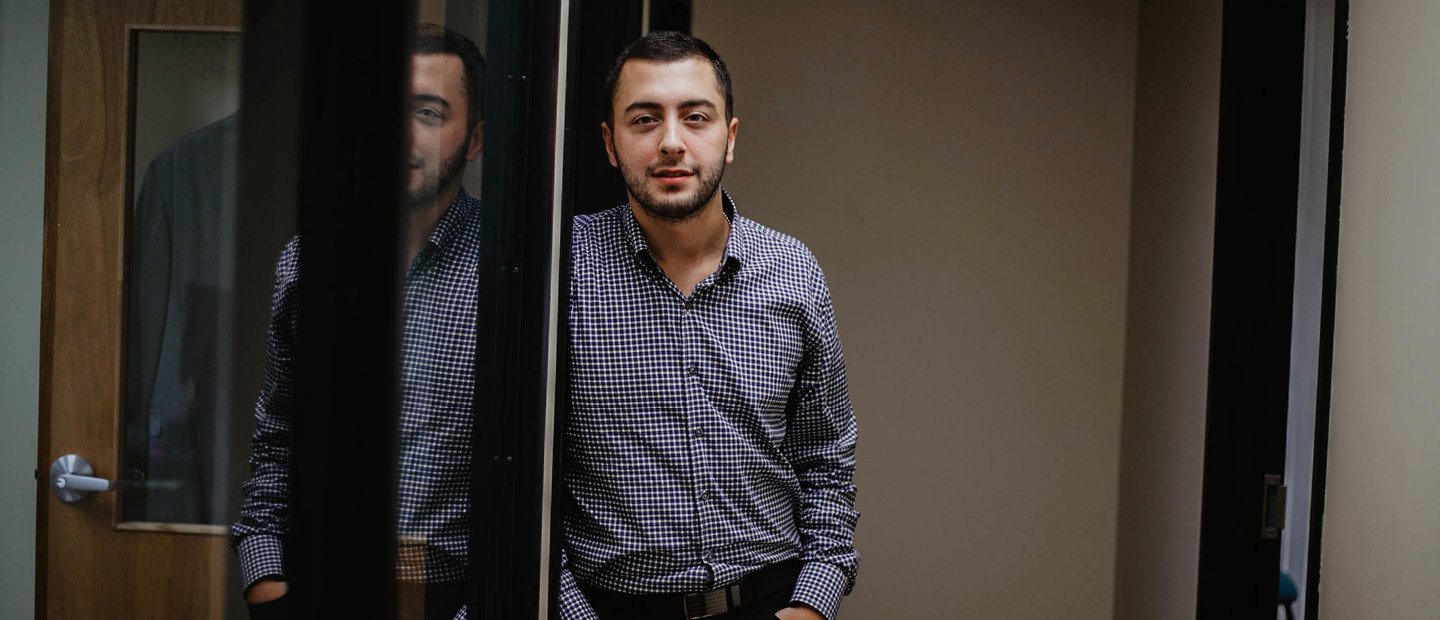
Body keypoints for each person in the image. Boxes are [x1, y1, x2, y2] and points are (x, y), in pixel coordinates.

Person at [562, 31, 860, 620]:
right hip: (611, 607)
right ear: (610, 143)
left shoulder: (792, 271)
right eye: (645, 120)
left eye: (695, 117)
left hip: (767, 602)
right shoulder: (559, 270)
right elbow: (519, 484)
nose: (672, 142)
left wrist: (813, 605)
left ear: (729, 139)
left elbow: (827, 456)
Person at [229, 24, 485, 620]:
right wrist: (266, 584)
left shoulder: (509, 269)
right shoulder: (309, 259)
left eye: (429, 112)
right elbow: (277, 443)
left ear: (473, 141)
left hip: (449, 597)